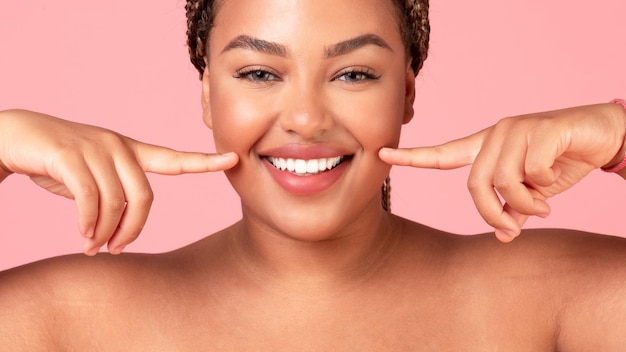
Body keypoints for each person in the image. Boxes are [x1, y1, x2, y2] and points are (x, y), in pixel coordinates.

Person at [1, 0, 625, 349]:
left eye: (354, 74)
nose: (305, 118)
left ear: (407, 93)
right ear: (207, 97)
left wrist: (620, 137)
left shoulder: (555, 297)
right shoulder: (64, 319)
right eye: (258, 73)